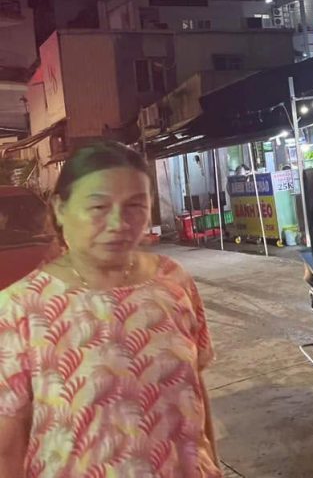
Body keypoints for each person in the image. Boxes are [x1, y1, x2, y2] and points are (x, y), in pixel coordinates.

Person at [0, 141, 220, 477]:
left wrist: (214, 464)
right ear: (60, 209)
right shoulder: (20, 307)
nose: (119, 222)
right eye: (99, 207)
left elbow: (195, 391)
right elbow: (8, 444)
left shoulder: (173, 280)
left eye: (135, 205)